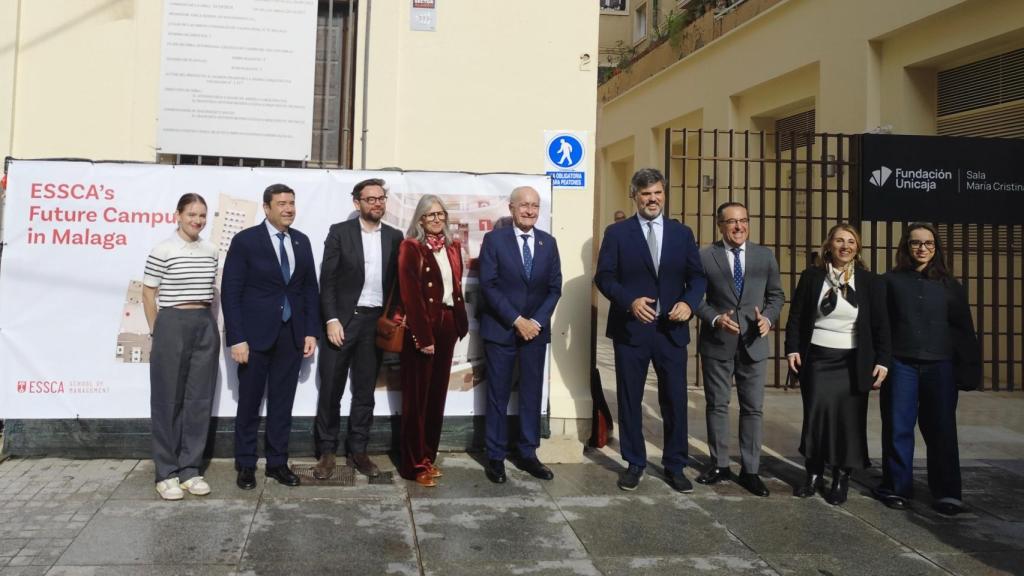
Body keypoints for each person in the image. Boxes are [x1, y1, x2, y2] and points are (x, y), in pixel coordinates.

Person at [595, 167, 707, 492]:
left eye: (657, 193)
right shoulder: (617, 234)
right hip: (631, 329)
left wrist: (689, 303)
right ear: (635, 196)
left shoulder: (681, 233)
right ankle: (634, 462)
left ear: (664, 194)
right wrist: (629, 301)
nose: (652, 199)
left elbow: (697, 277)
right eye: (646, 194)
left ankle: (675, 465)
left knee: (674, 399)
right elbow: (604, 277)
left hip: (672, 330)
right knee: (630, 398)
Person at [874, 222, 980, 516]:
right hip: (901, 363)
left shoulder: (951, 286)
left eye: (928, 243)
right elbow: (881, 326)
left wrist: (969, 370)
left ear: (936, 248)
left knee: (942, 429)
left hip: (941, 365)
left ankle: (947, 492)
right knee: (898, 427)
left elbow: (963, 330)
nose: (922, 248)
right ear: (906, 247)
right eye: (916, 243)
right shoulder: (889, 281)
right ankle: (896, 487)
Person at [222, 183, 320, 490]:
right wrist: (237, 338)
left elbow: (309, 290)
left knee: (282, 404)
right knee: (249, 404)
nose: (289, 208)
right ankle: (246, 464)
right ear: (266, 208)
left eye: (292, 203)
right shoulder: (246, 241)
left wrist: (310, 332)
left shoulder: (302, 242)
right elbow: (231, 292)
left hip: (290, 337)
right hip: (254, 338)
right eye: (281, 204)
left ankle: (278, 463)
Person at [785, 223, 890, 505]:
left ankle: (842, 477)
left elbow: (881, 325)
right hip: (818, 357)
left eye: (851, 241)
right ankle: (814, 474)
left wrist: (883, 360)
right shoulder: (812, 276)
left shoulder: (869, 282)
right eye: (839, 240)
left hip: (854, 360)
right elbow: (796, 316)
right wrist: (792, 349)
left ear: (858, 248)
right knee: (816, 416)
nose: (845, 246)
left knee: (849, 421)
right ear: (829, 245)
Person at [312, 178, 403, 480]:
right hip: (343, 321)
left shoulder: (395, 236)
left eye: (381, 198)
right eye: (370, 199)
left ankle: (359, 451)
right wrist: (331, 320)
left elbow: (399, 285)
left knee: (364, 391)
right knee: (331, 390)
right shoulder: (339, 233)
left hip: (375, 324)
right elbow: (328, 281)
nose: (377, 203)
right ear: (357, 203)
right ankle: (327, 452)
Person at [694, 202, 784, 497]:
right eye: (731, 222)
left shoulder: (764, 256)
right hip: (718, 342)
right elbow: (695, 297)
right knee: (718, 405)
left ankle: (751, 469)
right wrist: (716, 318)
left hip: (754, 343)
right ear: (720, 225)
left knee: (753, 409)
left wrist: (768, 319)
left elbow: (776, 295)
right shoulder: (705, 256)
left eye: (743, 220)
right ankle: (719, 464)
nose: (738, 227)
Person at [479, 186, 562, 484]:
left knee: (530, 394)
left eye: (535, 206)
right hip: (502, 329)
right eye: (524, 205)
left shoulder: (548, 243)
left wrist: (535, 322)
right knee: (498, 395)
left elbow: (555, 288)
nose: (529, 210)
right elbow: (488, 285)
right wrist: (517, 320)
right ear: (512, 208)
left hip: (535, 333)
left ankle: (528, 453)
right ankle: (496, 456)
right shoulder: (494, 240)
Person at [142, 193, 220, 500]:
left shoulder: (211, 250)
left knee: (199, 399)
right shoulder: (163, 250)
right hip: (171, 323)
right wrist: (156, 331)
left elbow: (210, 292)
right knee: (167, 400)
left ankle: (190, 470)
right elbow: (149, 294)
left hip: (203, 322)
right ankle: (166, 473)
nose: (197, 220)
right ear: (178, 215)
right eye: (191, 214)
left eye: (202, 215)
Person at [397, 195, 469, 486]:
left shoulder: (452, 246)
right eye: (430, 215)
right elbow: (410, 294)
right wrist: (422, 335)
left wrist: (458, 324)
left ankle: (428, 457)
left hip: (448, 323)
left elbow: (456, 286)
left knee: (437, 395)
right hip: (423, 325)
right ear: (420, 220)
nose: (437, 219)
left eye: (440, 214)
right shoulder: (411, 247)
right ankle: (413, 464)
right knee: (417, 398)